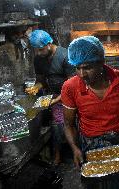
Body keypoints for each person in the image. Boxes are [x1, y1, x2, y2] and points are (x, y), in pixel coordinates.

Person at [61, 36, 119, 188]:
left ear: (102, 62)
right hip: (91, 144)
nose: (82, 74)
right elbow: (68, 124)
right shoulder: (70, 87)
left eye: (87, 67)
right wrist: (75, 148)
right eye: (78, 68)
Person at [25, 29, 75, 165]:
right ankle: (57, 154)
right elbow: (41, 79)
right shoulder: (38, 59)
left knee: (70, 123)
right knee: (56, 125)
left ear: (49, 44)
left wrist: (57, 100)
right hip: (53, 95)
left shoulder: (65, 56)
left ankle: (76, 150)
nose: (38, 53)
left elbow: (72, 86)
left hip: (71, 96)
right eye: (36, 50)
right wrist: (36, 87)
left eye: (40, 49)